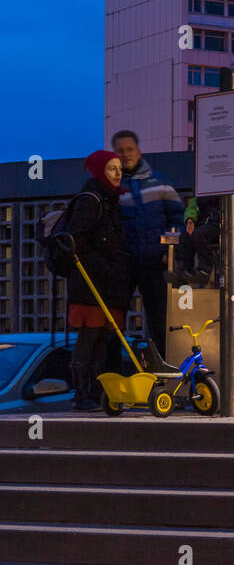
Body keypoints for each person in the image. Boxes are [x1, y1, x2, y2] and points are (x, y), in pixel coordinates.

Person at [61, 150, 130, 410]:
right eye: (112, 168)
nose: (118, 173)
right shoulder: (91, 201)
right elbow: (77, 242)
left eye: (119, 168)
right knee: (90, 337)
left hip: (109, 284)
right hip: (90, 283)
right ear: (100, 171)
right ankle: (82, 393)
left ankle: (97, 391)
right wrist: (104, 267)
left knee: (103, 339)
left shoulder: (111, 202)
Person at [111, 129, 184, 349]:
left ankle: (164, 368)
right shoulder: (110, 187)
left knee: (160, 319)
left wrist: (169, 251)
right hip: (123, 264)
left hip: (155, 262)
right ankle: (114, 372)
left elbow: (177, 218)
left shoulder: (160, 182)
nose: (125, 154)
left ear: (139, 151)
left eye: (129, 149)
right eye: (120, 150)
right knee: (114, 320)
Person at [169, 194, 221, 286]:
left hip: (218, 224)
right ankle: (184, 271)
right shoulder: (200, 190)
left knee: (199, 234)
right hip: (202, 223)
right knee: (184, 237)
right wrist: (190, 219)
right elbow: (192, 206)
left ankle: (204, 271)